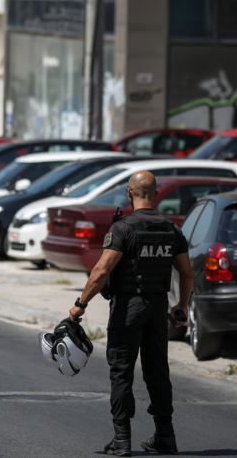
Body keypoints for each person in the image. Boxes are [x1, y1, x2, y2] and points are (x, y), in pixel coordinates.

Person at [69, 171, 193, 456]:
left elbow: (101, 270)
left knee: (121, 372)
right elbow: (187, 273)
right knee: (158, 372)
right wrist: (182, 306)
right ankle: (165, 436)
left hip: (128, 309)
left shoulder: (123, 229)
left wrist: (81, 304)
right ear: (156, 194)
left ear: (129, 193)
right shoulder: (172, 229)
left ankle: (122, 440)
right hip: (159, 308)